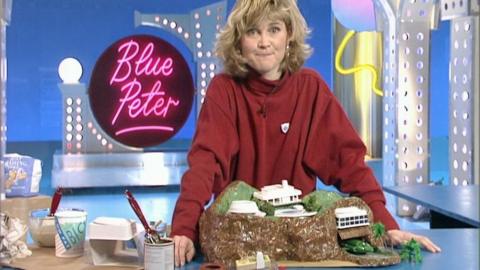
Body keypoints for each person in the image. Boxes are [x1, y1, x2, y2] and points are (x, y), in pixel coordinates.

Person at [170, 0, 441, 266]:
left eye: (274, 29)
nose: (264, 42)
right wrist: (183, 229)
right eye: (253, 31)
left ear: (289, 35)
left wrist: (386, 225)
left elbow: (350, 165)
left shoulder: (310, 89)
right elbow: (205, 164)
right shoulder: (224, 89)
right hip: (239, 245)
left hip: (297, 248)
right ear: (239, 40)